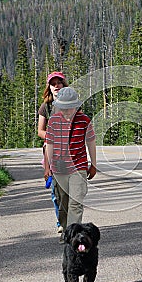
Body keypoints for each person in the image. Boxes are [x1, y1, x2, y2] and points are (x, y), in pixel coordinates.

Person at [45, 87, 97, 242]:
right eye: (64, 108)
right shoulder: (54, 121)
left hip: (78, 167)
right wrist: (48, 167)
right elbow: (49, 144)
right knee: (63, 204)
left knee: (76, 202)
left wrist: (93, 164)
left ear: (76, 106)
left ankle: (72, 236)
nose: (67, 111)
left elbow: (91, 142)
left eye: (70, 108)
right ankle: (65, 228)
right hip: (59, 168)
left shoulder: (84, 121)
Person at [38, 71, 68, 233]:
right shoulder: (46, 107)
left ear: (64, 85)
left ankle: (72, 221)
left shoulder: (72, 104)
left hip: (71, 151)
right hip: (52, 152)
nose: (56, 86)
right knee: (56, 191)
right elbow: (40, 131)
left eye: (59, 83)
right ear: (49, 87)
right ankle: (61, 223)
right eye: (53, 83)